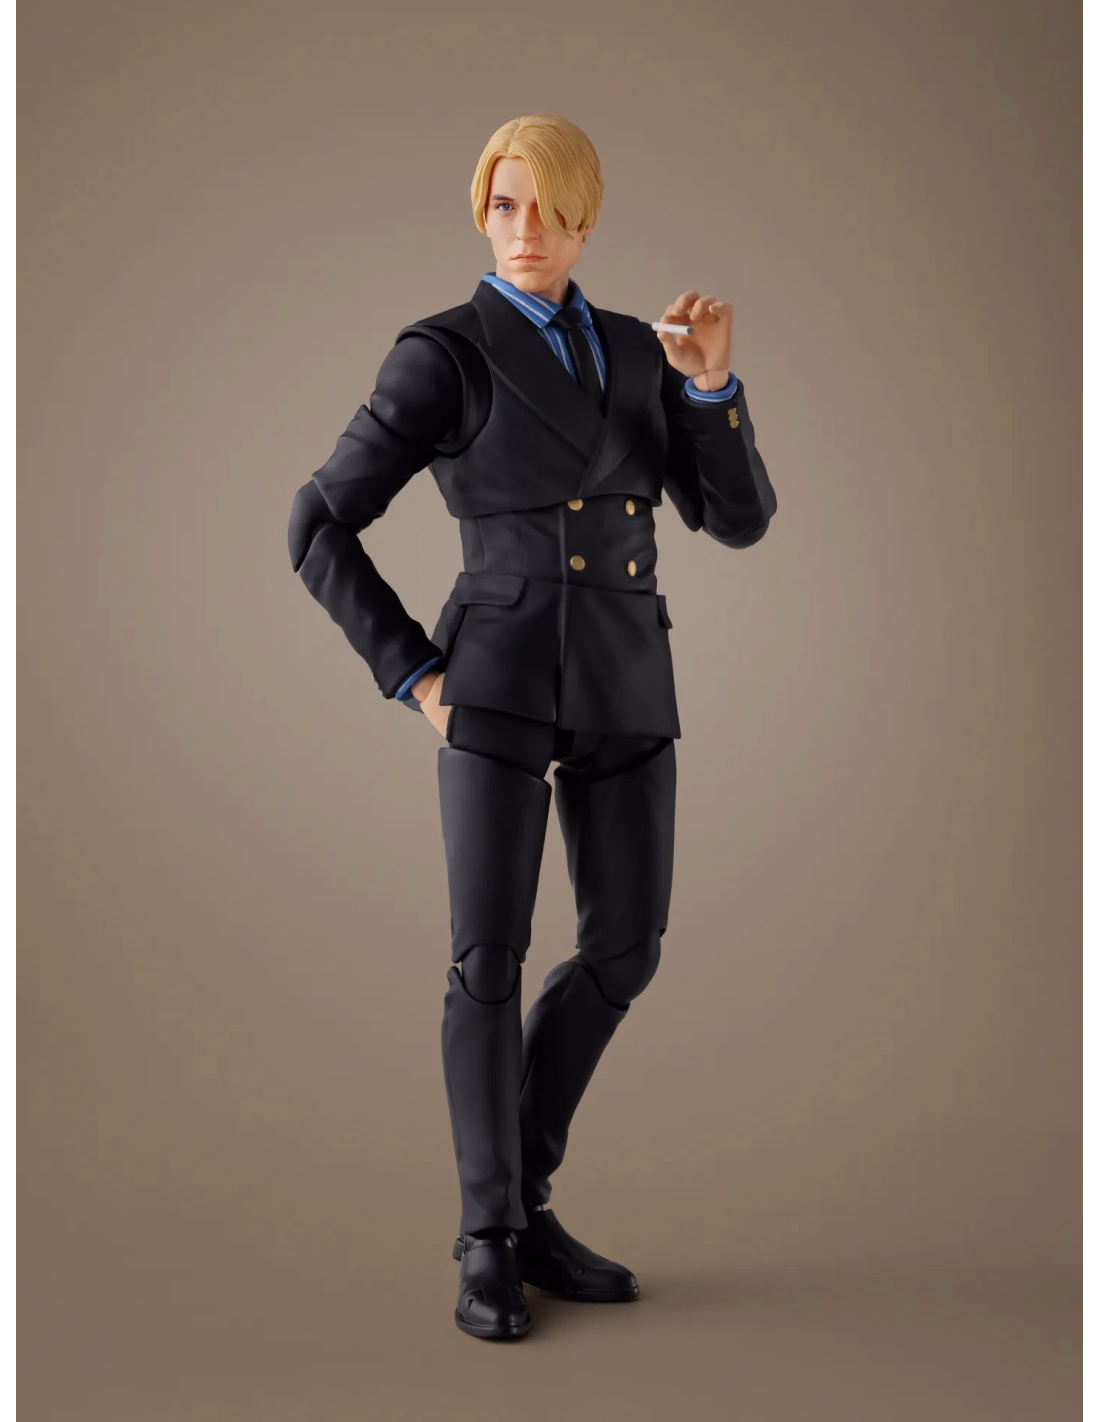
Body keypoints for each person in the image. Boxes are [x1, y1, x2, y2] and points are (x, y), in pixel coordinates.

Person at [287, 113, 777, 1341]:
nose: (524, 232)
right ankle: (489, 1237)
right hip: (495, 678)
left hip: (623, 677)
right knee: (487, 963)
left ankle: (525, 1196)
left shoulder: (638, 351)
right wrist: (415, 674)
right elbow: (316, 522)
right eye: (503, 207)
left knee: (624, 951)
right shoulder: (443, 354)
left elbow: (736, 521)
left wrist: (709, 386)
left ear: (585, 218)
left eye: (550, 210)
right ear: (481, 213)